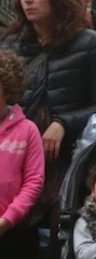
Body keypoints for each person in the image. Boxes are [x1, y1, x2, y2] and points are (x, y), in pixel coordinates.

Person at [4, 0, 96, 255]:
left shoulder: (90, 44)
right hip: (17, 152)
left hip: (67, 157)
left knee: (59, 232)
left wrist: (63, 122)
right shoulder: (11, 43)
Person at [0, 48, 44, 255]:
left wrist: (7, 220)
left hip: (14, 232)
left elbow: (34, 181)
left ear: (7, 89)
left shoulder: (27, 130)